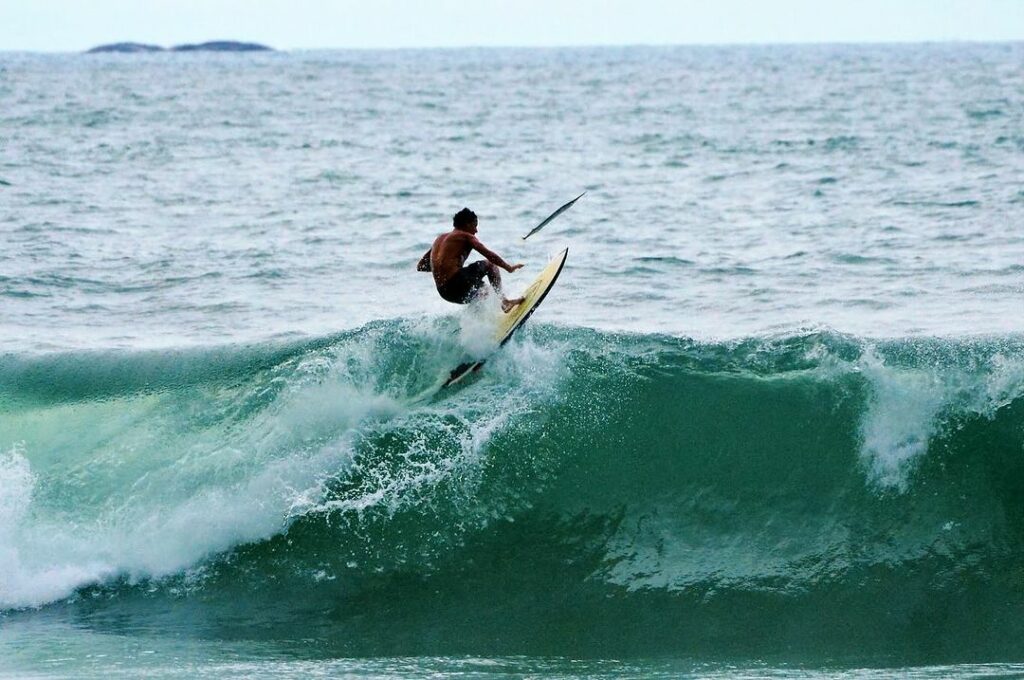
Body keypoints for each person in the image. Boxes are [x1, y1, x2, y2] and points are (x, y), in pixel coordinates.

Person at [417, 208, 526, 312]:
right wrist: (509, 268)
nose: (476, 230)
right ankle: (505, 301)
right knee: (490, 265)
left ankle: (482, 322)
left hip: (445, 293)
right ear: (467, 224)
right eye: (475, 225)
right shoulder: (465, 236)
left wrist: (443, 269)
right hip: (457, 284)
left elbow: (421, 266)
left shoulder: (439, 239)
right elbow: (489, 255)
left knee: (484, 292)